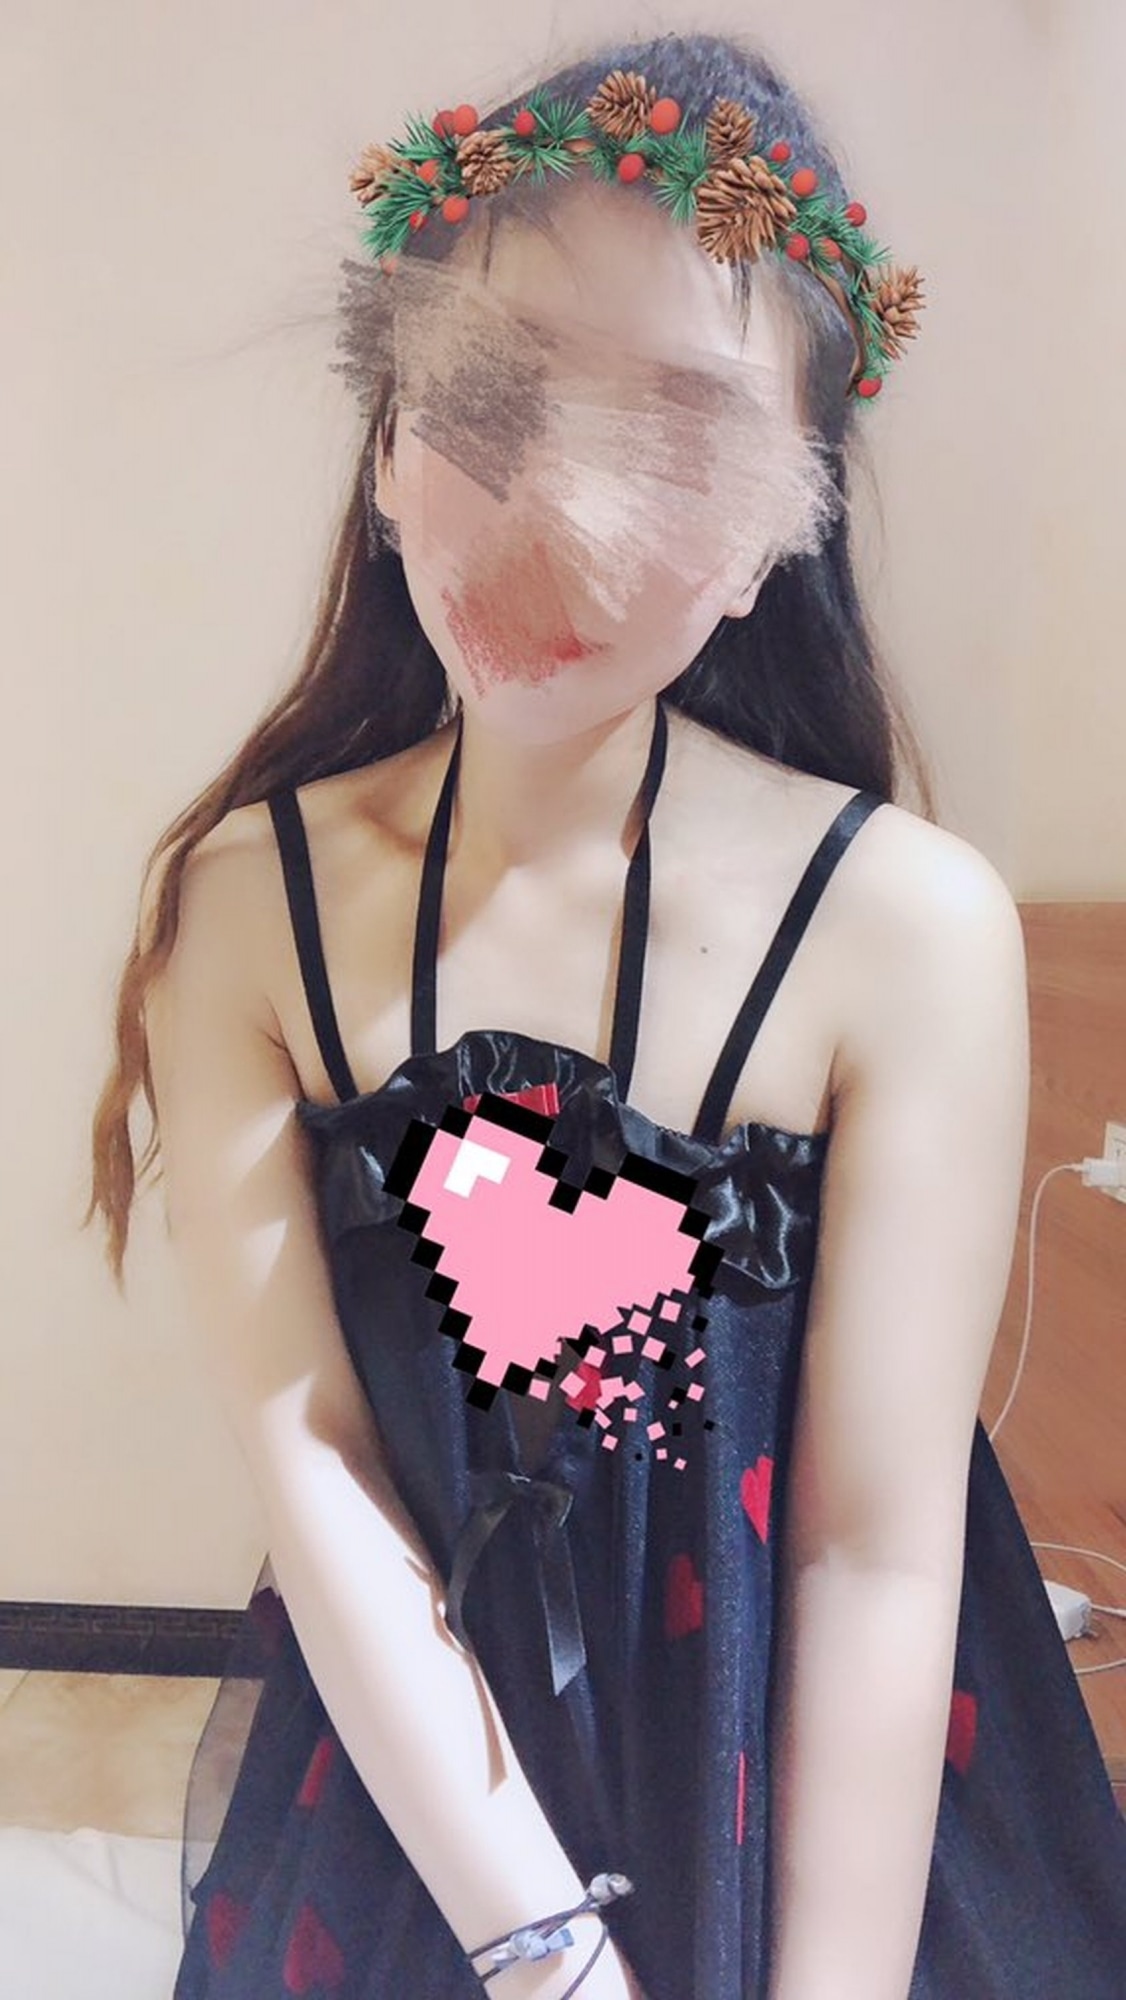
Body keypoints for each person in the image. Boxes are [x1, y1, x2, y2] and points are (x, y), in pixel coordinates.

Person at [84, 28, 1126, 2000]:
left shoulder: (903, 929)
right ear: (385, 444)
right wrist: (542, 1951)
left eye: (679, 447)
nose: (554, 516)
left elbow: (869, 1545)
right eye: (487, 401)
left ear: (774, 538)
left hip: (814, 1804)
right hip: (423, 1791)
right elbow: (319, 1462)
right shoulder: (247, 911)